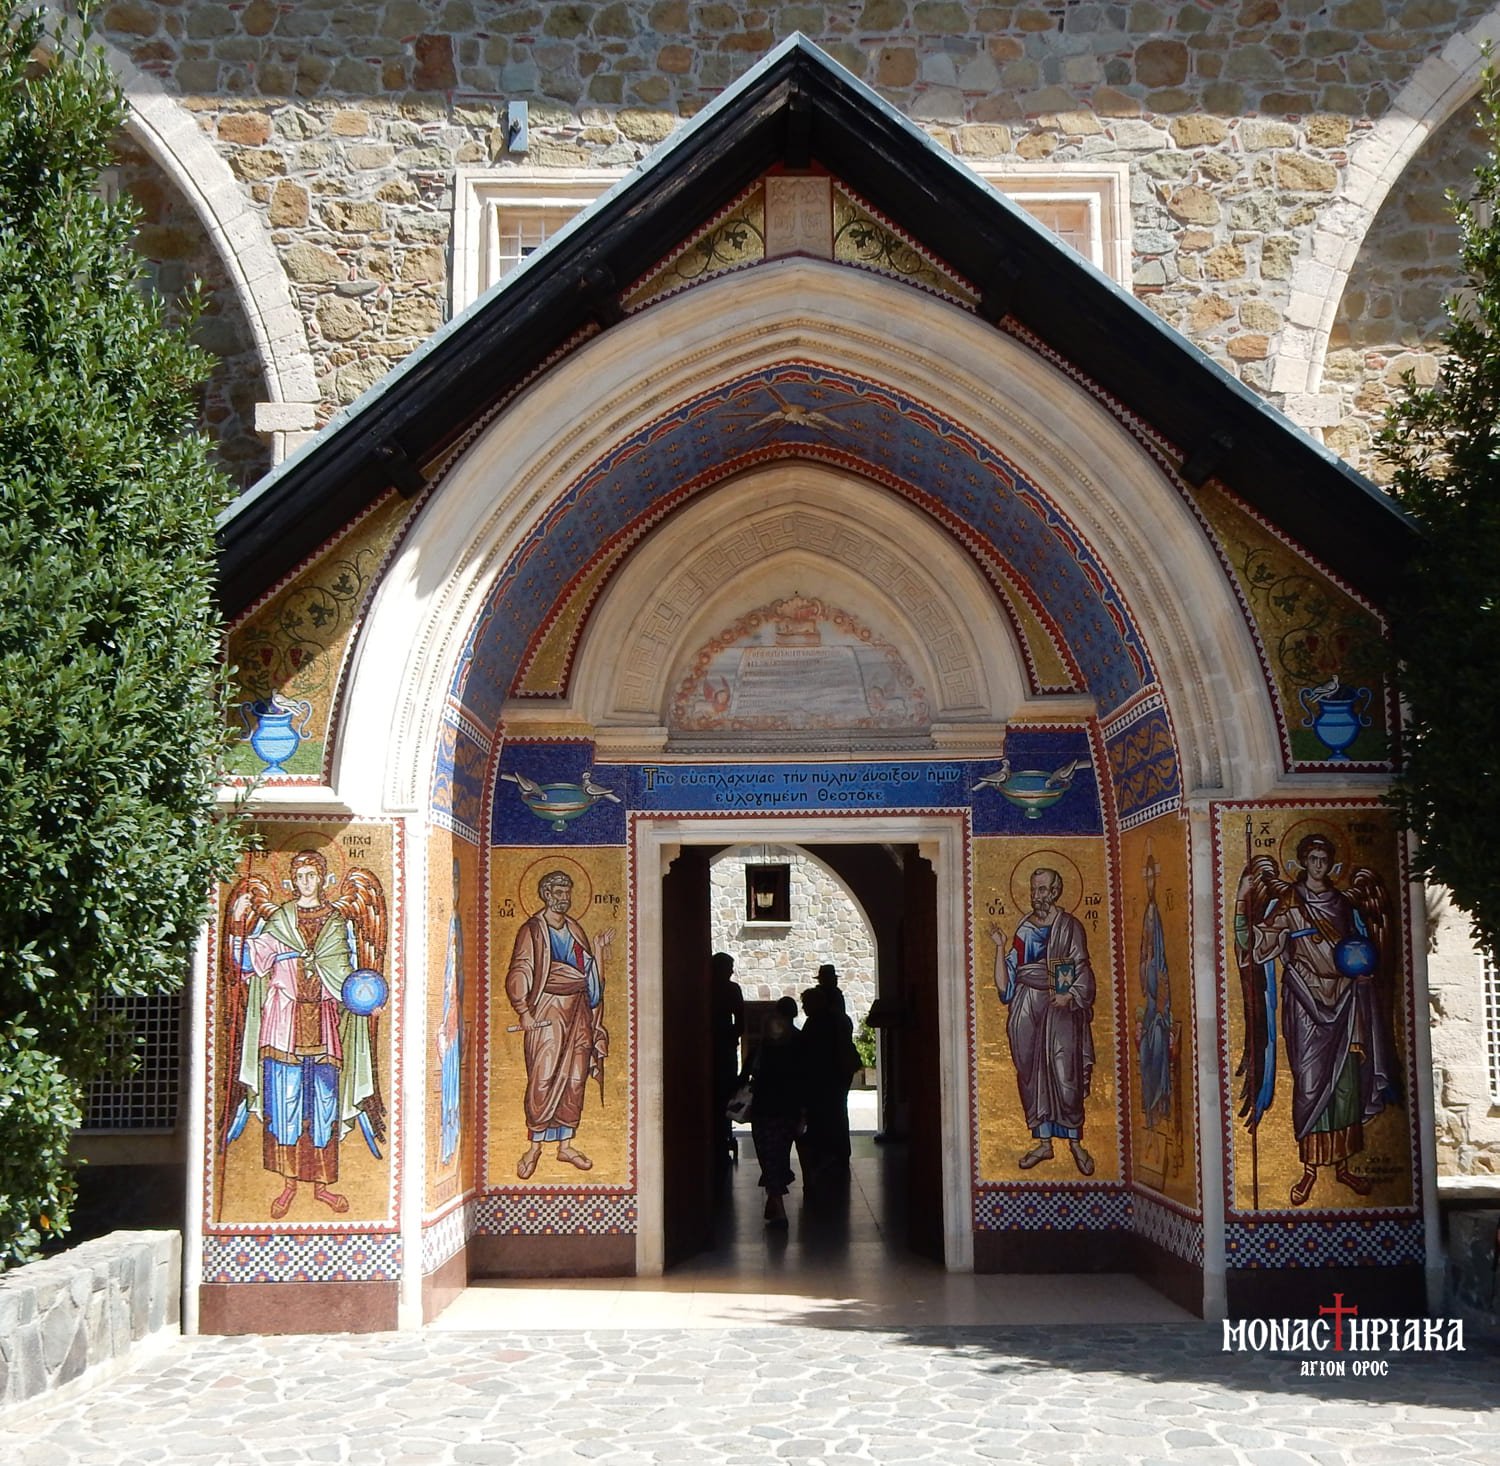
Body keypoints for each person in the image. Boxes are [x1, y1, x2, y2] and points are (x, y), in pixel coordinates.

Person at [228, 849, 383, 1220]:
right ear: (292, 882)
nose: (306, 882)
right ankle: (288, 1186)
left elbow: (345, 973)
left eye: (313, 876)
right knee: (285, 1104)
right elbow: (253, 957)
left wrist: (366, 1001)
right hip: (284, 1025)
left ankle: (322, 1186)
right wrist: (236, 940)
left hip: (325, 1025)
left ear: (324, 879)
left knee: (323, 1104)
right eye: (300, 876)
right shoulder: (280, 920)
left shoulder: (334, 922)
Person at [1251, 834, 1399, 1206]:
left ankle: (1344, 1164)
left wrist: (1363, 969)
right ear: (1302, 861)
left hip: (1346, 997)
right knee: (1311, 1081)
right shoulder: (1288, 901)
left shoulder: (1342, 904)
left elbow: (1357, 943)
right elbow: (1263, 943)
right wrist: (1270, 933)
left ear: (1332, 864)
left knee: (1347, 1082)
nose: (1318, 864)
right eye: (1312, 858)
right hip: (1305, 999)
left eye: (1323, 858)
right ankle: (1310, 1170)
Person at [505, 870, 613, 1180]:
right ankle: (534, 1147)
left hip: (577, 1012)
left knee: (575, 1077)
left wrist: (598, 949)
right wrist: (523, 1010)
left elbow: (588, 972)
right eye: (559, 892)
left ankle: (565, 1144)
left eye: (568, 892)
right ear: (547, 894)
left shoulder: (575, 929)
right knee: (544, 1075)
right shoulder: (533, 931)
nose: (565, 898)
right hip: (548, 1012)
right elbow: (521, 969)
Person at [989, 867, 1097, 1176]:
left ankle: (1075, 1142)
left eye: (1042, 890)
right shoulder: (1024, 928)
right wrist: (999, 946)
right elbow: (1009, 974)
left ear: (1054, 892)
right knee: (1030, 1075)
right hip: (1026, 1006)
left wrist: (1071, 995)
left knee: (1066, 1074)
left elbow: (1082, 967)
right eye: (1033, 890)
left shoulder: (1069, 926)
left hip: (1060, 1008)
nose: (1036, 896)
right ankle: (1044, 1141)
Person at [746, 995, 805, 1226]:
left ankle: (777, 1202)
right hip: (786, 1108)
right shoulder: (798, 1043)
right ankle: (774, 1199)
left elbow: (748, 1071)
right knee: (778, 1154)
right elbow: (803, 1078)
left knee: (769, 1155)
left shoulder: (764, 1046)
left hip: (765, 1108)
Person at [798, 984, 859, 1180]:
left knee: (827, 1114)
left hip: (827, 1076)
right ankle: (838, 1153)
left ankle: (828, 1154)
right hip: (839, 1073)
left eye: (806, 1003)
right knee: (838, 1111)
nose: (804, 1008)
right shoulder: (838, 1019)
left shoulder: (817, 1023)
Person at [438, 856, 464, 1168]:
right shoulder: (449, 926)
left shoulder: (458, 924)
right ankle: (448, 1138)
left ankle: (452, 1135)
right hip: (449, 1018)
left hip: (457, 1017)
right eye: (453, 882)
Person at [710, 951, 745, 1166]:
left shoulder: (714, 989)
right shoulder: (731, 990)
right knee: (723, 1094)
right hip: (722, 1047)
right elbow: (740, 1020)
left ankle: (722, 1136)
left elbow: (740, 1021)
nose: (732, 971)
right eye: (729, 967)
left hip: (719, 1045)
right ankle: (721, 1136)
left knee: (722, 1095)